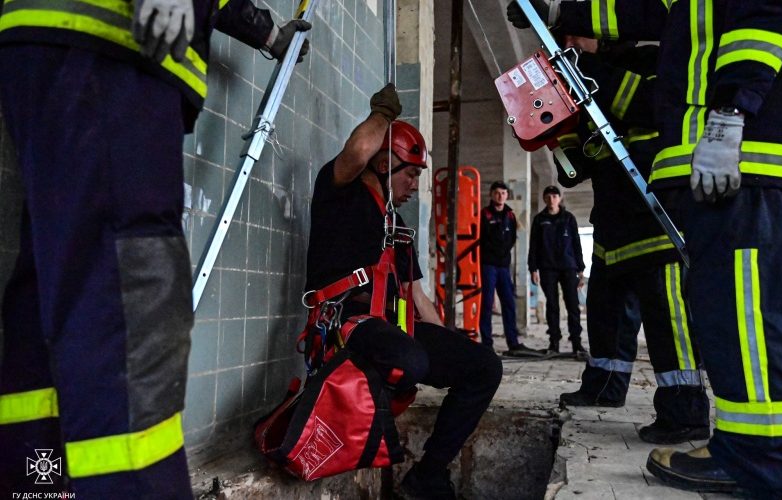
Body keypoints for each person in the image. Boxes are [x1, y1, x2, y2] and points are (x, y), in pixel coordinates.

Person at [0, 1, 310, 497]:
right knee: (129, 304)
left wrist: (269, 33)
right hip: (112, 51)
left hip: (55, 45)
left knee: (52, 297)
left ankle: (38, 483)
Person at [514, 0, 782, 497]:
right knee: (748, 313)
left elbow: (760, 14)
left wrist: (729, 114)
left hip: (742, 155)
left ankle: (751, 455)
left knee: (743, 314)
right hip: (721, 169)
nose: (570, 49)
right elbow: (643, 8)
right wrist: (562, 13)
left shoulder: (641, 63)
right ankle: (759, 449)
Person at [305, 84, 503, 500]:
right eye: (410, 173)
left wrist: (450, 345)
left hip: (391, 333)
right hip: (346, 327)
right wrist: (383, 114)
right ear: (384, 164)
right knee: (409, 360)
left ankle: (428, 474)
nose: (415, 185)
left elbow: (417, 297)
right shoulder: (339, 194)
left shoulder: (397, 229)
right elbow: (357, 151)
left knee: (483, 366)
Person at [545, 38, 709, 445]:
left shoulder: (653, 60)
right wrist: (552, 129)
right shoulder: (582, 87)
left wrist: (583, 72)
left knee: (667, 322)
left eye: (574, 36)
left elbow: (646, 106)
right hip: (611, 229)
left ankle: (684, 411)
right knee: (605, 316)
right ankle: (604, 386)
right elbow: (572, 172)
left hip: (657, 221)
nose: (568, 45)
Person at [528, 185, 586, 355]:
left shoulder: (569, 218)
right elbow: (534, 246)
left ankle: (576, 342)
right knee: (552, 306)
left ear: (560, 199)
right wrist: (533, 268)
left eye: (554, 196)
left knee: (572, 305)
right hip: (547, 268)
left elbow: (576, 243)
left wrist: (580, 268)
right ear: (544, 199)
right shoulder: (539, 220)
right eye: (548, 196)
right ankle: (554, 342)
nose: (551, 199)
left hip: (568, 267)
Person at [478, 180, 534, 355]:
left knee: (509, 303)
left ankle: (513, 343)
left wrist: (503, 255)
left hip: (503, 266)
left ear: (507, 196)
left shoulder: (510, 216)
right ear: (491, 195)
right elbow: (480, 239)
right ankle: (487, 343)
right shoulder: (484, 214)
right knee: (487, 304)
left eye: (503, 193)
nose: (500, 196)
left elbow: (512, 239)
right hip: (488, 265)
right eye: (497, 193)